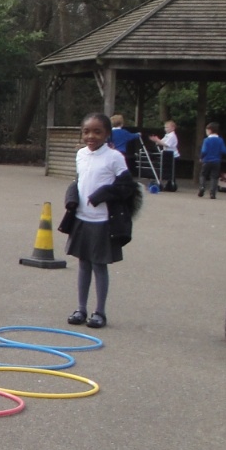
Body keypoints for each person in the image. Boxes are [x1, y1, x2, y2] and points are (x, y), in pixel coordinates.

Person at [60, 113, 140, 329]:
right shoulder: (81, 154)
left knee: (99, 265)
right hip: (81, 219)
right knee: (83, 264)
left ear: (107, 134)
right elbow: (78, 181)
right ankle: (81, 308)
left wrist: (103, 194)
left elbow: (127, 187)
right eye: (86, 131)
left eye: (97, 132)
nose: (91, 136)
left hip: (103, 221)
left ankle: (100, 312)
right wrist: (71, 198)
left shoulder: (114, 157)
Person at [197, 122, 226, 199]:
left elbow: (204, 151)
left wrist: (201, 157)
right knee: (214, 177)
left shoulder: (206, 140)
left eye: (206, 130)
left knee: (203, 175)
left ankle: (202, 187)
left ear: (210, 130)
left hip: (207, 161)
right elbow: (224, 151)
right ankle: (212, 193)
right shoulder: (220, 140)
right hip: (217, 161)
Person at [148, 120, 180, 189]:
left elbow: (166, 144)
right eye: (165, 127)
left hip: (172, 155)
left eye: (167, 127)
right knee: (168, 170)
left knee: (171, 170)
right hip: (167, 155)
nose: (166, 129)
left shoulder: (172, 136)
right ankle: (169, 183)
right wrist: (156, 140)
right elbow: (161, 142)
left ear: (173, 128)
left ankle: (171, 183)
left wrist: (157, 140)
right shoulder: (167, 135)